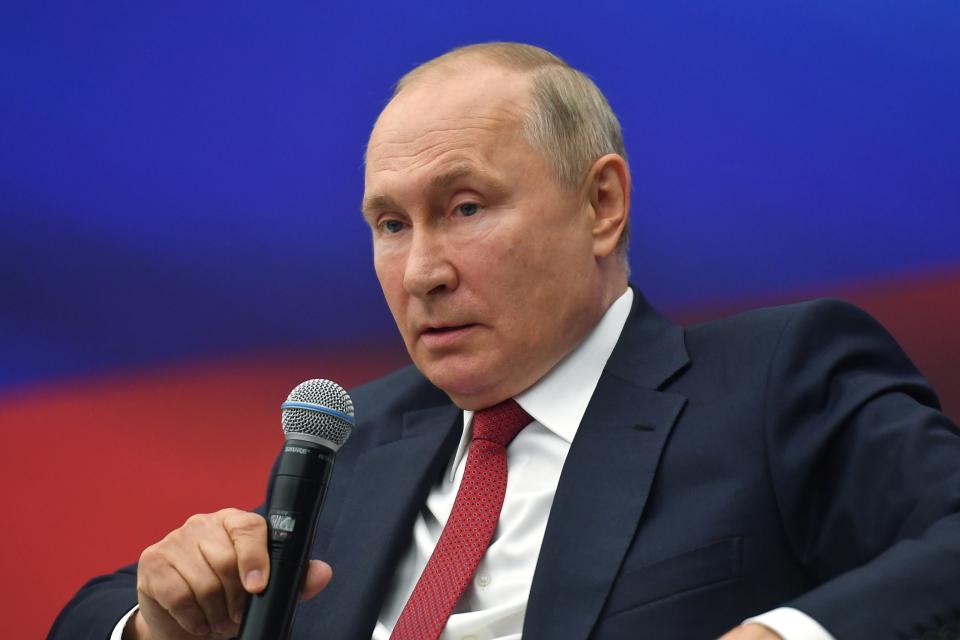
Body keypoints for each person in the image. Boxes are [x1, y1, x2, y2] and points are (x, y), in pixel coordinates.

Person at [51, 42, 960, 640]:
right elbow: (84, 617)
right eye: (389, 225)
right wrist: (151, 621)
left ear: (601, 205)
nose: (421, 273)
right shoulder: (354, 436)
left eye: (465, 208)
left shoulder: (775, 378)